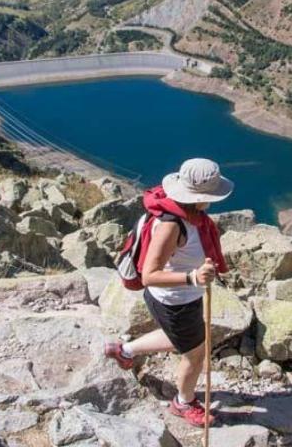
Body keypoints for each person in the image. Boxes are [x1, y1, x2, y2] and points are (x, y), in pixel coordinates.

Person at [102, 158, 233, 427]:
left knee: (179, 339)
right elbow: (150, 275)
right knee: (195, 354)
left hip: (180, 299)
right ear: (200, 196)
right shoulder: (173, 225)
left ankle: (124, 351)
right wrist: (192, 277)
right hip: (176, 301)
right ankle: (183, 403)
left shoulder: (182, 212)